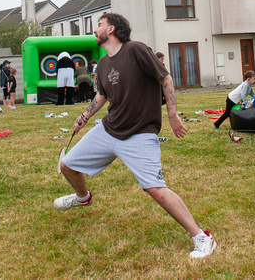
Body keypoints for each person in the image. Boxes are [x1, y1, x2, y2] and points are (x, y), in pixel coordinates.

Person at [54, 13, 216, 259]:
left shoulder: (136, 50)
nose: (95, 29)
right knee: (67, 166)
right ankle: (82, 197)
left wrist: (172, 115)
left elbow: (165, 77)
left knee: (156, 189)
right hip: (109, 129)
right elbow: (102, 95)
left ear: (111, 29)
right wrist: (84, 117)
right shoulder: (104, 63)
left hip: (140, 133)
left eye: (98, 25)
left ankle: (202, 237)